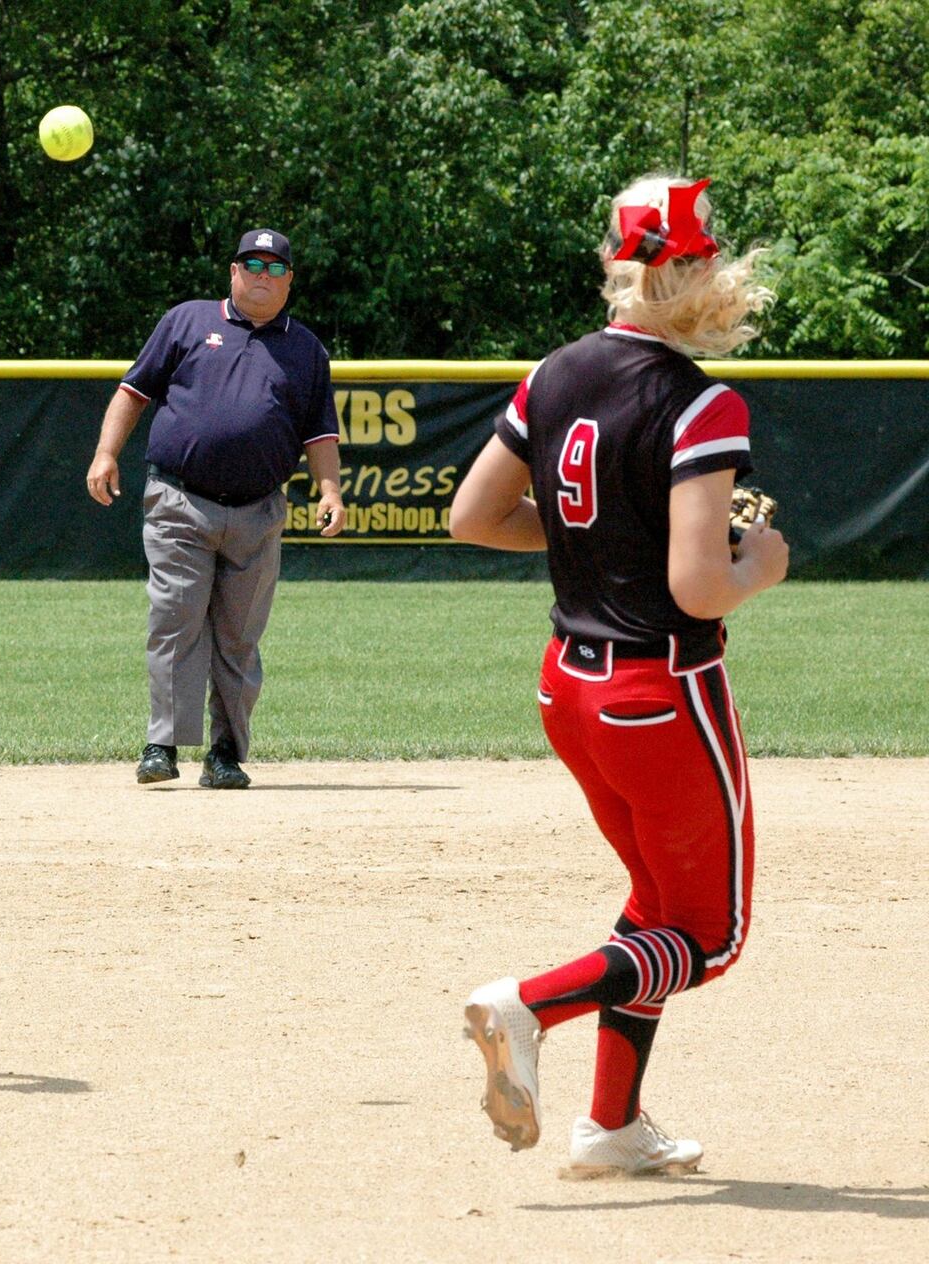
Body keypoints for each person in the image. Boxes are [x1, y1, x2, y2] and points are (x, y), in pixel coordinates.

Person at [449, 175, 788, 1174]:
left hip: (569, 688)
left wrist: (594, 546)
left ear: (615, 261)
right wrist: (755, 568)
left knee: (651, 904)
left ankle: (611, 1125)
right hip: (661, 691)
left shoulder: (552, 374)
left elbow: (471, 516)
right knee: (709, 936)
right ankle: (531, 1004)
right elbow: (696, 586)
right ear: (685, 269)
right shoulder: (699, 400)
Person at [86, 228, 345, 789]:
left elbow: (320, 433)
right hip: (180, 499)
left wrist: (330, 491)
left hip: (257, 510)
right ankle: (162, 745)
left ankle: (225, 753)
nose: (263, 274)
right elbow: (133, 392)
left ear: (290, 281)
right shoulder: (187, 320)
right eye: (253, 262)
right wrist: (106, 453)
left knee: (238, 636)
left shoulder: (306, 350)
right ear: (233, 271)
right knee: (175, 620)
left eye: (276, 267)